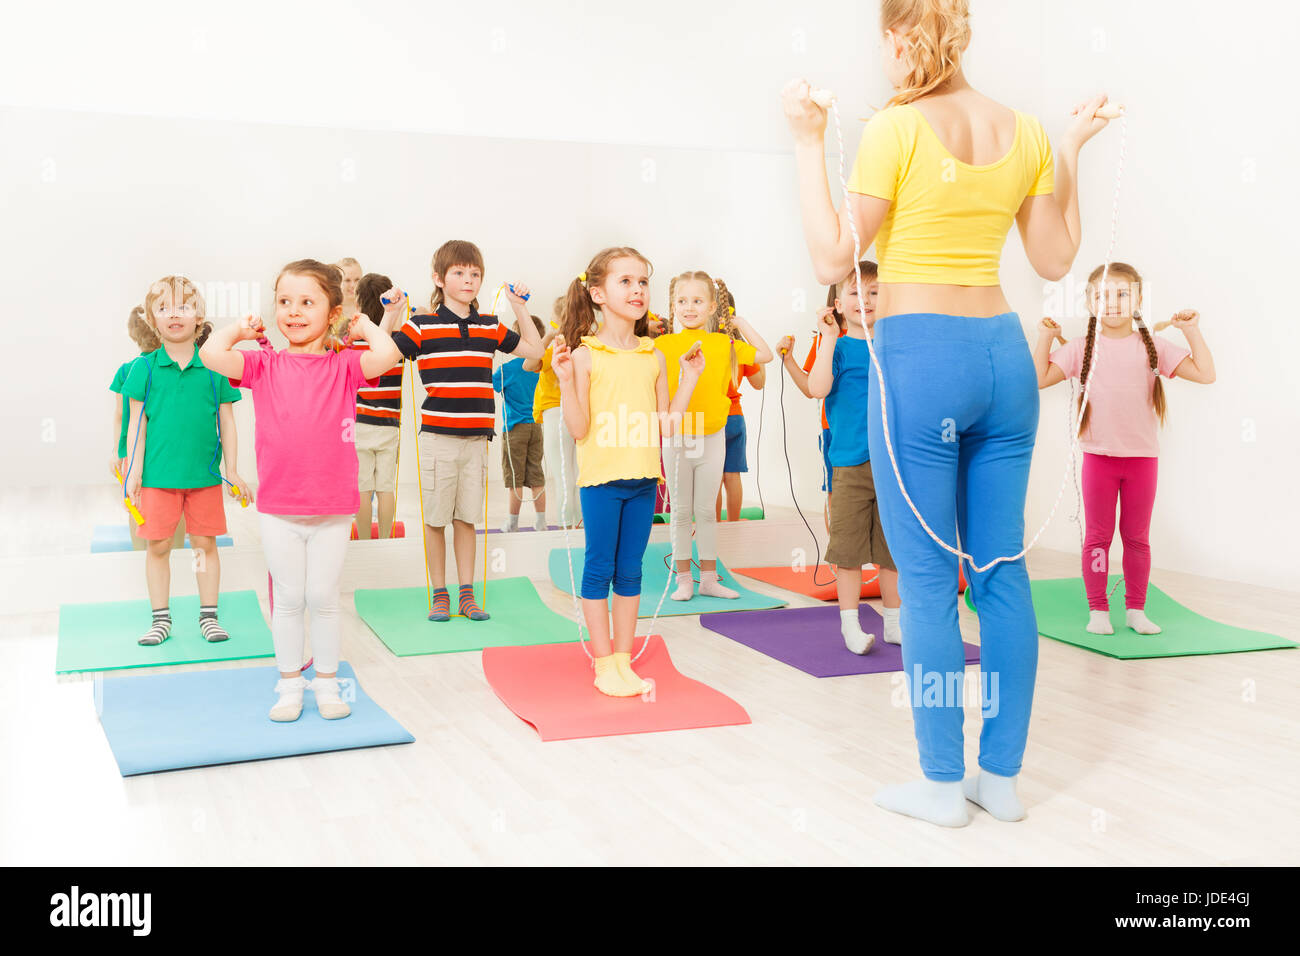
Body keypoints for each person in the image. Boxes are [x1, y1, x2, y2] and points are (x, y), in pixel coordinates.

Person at [783, 0, 1113, 825]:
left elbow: (831, 256)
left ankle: (941, 784)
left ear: (899, 39)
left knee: (927, 581)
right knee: (1000, 573)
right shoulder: (1027, 129)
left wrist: (804, 141)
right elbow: (1054, 257)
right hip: (1003, 354)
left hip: (922, 356)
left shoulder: (896, 129)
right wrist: (1067, 150)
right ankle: (998, 779)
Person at [202, 258, 403, 721]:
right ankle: (289, 685)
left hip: (333, 508)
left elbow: (389, 355)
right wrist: (238, 329)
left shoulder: (345, 365)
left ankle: (328, 684)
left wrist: (366, 326)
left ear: (332, 312)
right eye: (284, 302)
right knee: (290, 598)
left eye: (307, 302)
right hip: (278, 508)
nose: (293, 311)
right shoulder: (263, 364)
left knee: (324, 598)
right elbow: (212, 355)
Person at [552, 247, 704, 697]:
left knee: (631, 570)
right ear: (597, 293)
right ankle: (603, 662)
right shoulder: (585, 356)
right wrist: (563, 382)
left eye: (643, 282)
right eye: (626, 282)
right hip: (601, 481)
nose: (637, 290)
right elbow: (579, 429)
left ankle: (623, 659)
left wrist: (689, 378)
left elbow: (668, 427)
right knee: (599, 568)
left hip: (642, 480)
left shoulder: (652, 356)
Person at [1036, 262, 1215, 635]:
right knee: (1098, 538)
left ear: (1138, 299)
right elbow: (1037, 380)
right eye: (1102, 295)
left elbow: (1205, 373)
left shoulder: (1154, 348)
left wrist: (1191, 330)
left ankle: (1136, 610)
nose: (1112, 302)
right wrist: (1044, 338)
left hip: (1142, 462)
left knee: (1137, 538)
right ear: (1089, 302)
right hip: (1098, 460)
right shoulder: (1082, 349)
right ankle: (1098, 611)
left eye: (1121, 293)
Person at [391, 240, 543, 622]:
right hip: (438, 439)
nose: (468, 280)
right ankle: (439, 591)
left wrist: (520, 307)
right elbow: (381, 357)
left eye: (474, 274)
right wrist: (390, 315)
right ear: (439, 279)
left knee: (467, 519)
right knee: (436, 519)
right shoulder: (422, 326)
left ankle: (466, 594)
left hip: (476, 441)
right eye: (459, 272)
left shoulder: (490, 326)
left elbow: (534, 350)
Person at [122, 276, 248, 646]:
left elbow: (227, 420)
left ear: (198, 315)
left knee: (203, 547)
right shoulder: (143, 370)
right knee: (158, 547)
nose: (173, 315)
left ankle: (208, 615)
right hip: (158, 480)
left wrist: (233, 470)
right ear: (151, 318)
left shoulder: (214, 366)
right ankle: (160, 619)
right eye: (163, 308)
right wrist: (134, 472)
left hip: (204, 479)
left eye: (183, 306)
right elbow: (137, 426)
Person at [654, 271, 772, 600]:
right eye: (681, 301)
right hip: (677, 438)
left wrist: (739, 321)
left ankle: (708, 578)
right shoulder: (662, 345)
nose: (688, 307)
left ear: (711, 307)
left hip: (713, 436)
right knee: (679, 510)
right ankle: (683, 580)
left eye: (697, 301)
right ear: (673, 305)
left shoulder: (725, 343)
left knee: (706, 510)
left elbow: (765, 355)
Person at [494, 314, 548, 532]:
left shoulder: (507, 370)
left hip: (514, 429)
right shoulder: (541, 367)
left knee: (514, 478)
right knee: (536, 475)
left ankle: (513, 523)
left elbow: (492, 386)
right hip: (536, 426)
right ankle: (541, 522)